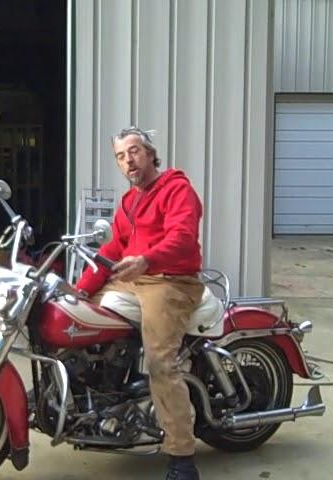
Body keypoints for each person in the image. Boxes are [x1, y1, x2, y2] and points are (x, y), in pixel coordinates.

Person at [76, 127, 204, 480]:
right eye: (120, 156)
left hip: (170, 281)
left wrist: (147, 259)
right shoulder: (129, 202)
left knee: (161, 361)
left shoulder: (177, 189)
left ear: (149, 154)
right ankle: (94, 393)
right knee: (73, 319)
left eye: (133, 151)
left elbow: (182, 237)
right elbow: (114, 248)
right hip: (134, 279)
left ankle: (182, 457)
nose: (127, 160)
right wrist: (81, 289)